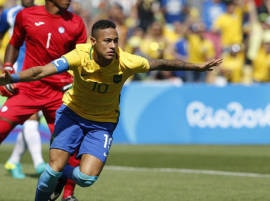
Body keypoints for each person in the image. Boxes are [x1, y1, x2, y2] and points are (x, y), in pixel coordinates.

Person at [0, 19, 222, 201]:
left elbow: (161, 63)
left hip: (102, 123)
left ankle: (61, 175)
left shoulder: (126, 61)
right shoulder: (79, 55)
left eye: (115, 41)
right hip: (72, 114)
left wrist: (198, 67)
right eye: (107, 41)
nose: (113, 46)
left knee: (85, 179)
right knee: (51, 170)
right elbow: (41, 72)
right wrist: (13, 77)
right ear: (93, 42)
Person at [0, 0, 88, 200]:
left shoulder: (76, 23)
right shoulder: (26, 15)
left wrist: (76, 82)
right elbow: (14, 43)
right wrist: (7, 68)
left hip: (60, 91)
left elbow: (83, 58)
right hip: (29, 88)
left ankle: (68, 195)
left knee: (71, 147)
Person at [0, 0, 46, 179]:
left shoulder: (43, 13)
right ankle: (39, 163)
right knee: (31, 117)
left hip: (40, 72)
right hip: (19, 73)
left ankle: (13, 160)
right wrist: (7, 67)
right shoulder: (10, 14)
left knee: (33, 119)